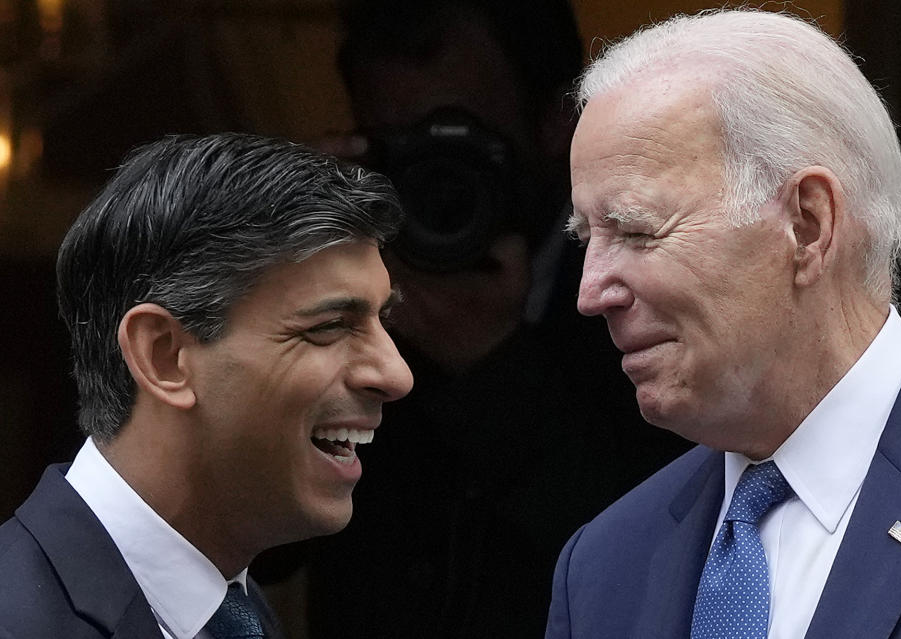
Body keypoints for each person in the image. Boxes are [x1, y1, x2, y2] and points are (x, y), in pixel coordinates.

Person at [263, 1, 689, 637]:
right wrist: (260, 302)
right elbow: (256, 545)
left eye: (460, 139)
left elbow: (677, 561)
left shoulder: (662, 298)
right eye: (401, 150)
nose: (431, 182)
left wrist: (491, 364)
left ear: (555, 123)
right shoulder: (338, 295)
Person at [547, 9, 901, 639]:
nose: (590, 292)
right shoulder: (603, 567)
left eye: (635, 231)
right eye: (587, 239)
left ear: (807, 225)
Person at [0, 133, 414, 638]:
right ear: (164, 356)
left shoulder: (233, 612)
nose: (396, 374)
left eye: (382, 321)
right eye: (328, 326)